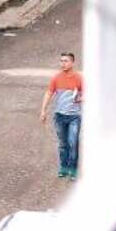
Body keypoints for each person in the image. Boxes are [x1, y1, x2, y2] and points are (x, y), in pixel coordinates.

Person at [40, 52, 83, 180]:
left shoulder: (79, 78)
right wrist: (43, 110)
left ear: (72, 62)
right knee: (63, 144)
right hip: (59, 116)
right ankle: (64, 168)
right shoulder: (56, 78)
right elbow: (49, 93)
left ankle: (73, 170)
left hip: (74, 116)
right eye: (61, 61)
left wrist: (81, 98)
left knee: (73, 142)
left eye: (65, 61)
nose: (62, 63)